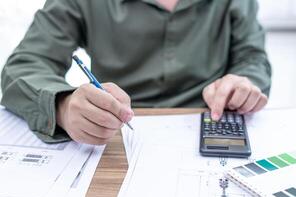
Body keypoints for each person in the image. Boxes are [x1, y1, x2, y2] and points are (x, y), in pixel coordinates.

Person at [1, 0, 271, 145]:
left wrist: (243, 83)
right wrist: (62, 105)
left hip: (210, 129)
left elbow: (252, 58)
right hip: (113, 136)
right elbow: (24, 65)